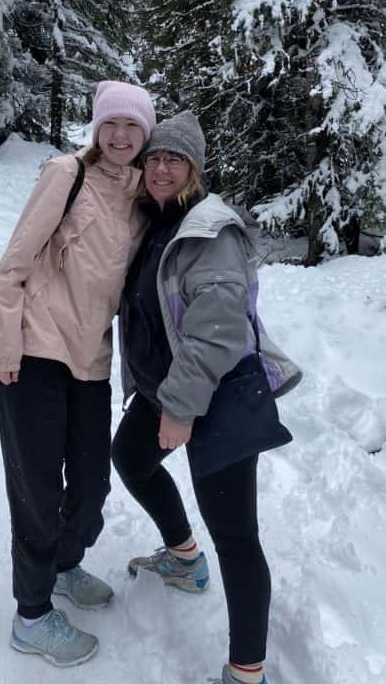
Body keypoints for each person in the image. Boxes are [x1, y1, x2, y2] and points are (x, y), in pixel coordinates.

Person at [111, 111, 301, 684]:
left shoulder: (209, 230)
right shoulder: (157, 222)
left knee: (237, 534)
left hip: (216, 393)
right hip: (168, 385)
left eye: (175, 159)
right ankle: (184, 559)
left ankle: (247, 672)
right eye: (155, 158)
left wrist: (180, 409)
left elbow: (217, 331)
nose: (161, 168)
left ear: (194, 168)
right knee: (131, 458)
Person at [0, 81, 156, 667]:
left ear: (145, 135)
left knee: (91, 487)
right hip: (33, 350)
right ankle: (31, 615)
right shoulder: (65, 173)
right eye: (111, 124)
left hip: (91, 357)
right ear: (96, 128)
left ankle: (62, 564)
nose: (120, 136)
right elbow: (15, 262)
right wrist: (3, 341)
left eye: (132, 127)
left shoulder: (143, 196)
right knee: (36, 487)